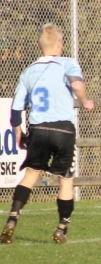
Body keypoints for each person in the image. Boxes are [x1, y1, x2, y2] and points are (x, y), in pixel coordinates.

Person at [0, 24, 95, 245]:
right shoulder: (67, 63)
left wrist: (18, 132)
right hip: (63, 129)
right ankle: (61, 229)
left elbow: (16, 109)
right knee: (65, 179)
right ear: (60, 45)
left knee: (31, 174)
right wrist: (85, 101)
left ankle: (12, 220)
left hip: (38, 129)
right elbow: (78, 83)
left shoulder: (28, 71)